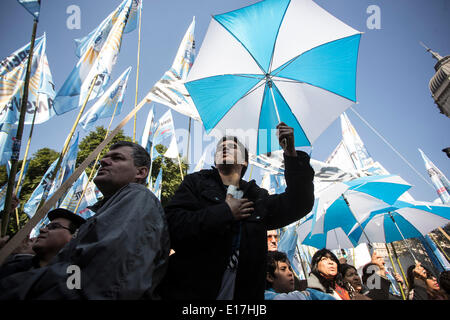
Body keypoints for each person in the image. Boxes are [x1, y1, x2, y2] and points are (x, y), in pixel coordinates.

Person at [160, 122, 315, 300]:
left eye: (232, 146)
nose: (224, 148)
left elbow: (299, 203)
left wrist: (291, 154)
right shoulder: (195, 183)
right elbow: (171, 226)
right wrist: (225, 212)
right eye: (220, 148)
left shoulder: (258, 198)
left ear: (244, 162)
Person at [0, 141, 170, 299]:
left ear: (140, 172)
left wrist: (13, 287)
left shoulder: (136, 197)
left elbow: (100, 275)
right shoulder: (111, 207)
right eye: (104, 157)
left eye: (117, 158)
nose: (103, 161)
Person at [0, 208, 85, 279]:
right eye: (46, 227)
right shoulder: (12, 266)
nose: (42, 230)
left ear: (74, 236)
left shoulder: (72, 281)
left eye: (54, 227)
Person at [264, 250, 335, 300]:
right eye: (283, 269)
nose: (290, 273)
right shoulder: (267, 296)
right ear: (270, 277)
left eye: (290, 269)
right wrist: (309, 294)